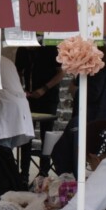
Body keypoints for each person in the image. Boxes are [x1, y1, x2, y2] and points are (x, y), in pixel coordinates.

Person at [15, 44, 65, 179]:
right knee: (26, 135)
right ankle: (23, 173)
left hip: (48, 97)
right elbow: (18, 72)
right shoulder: (22, 50)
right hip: (29, 97)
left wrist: (44, 88)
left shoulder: (50, 49)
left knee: (46, 135)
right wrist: (21, 89)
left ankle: (44, 172)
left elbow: (61, 72)